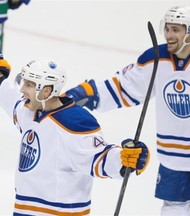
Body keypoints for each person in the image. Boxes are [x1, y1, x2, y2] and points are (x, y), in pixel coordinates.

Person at [64, 5, 190, 216]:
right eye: (167, 29)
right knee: (173, 209)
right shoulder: (155, 59)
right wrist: (89, 93)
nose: (169, 35)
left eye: (176, 30)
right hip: (175, 156)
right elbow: (124, 86)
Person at [0, 55, 150, 215]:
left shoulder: (74, 123)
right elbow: (9, 97)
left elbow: (101, 157)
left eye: (29, 85)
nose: (22, 89)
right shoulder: (27, 112)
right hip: (23, 210)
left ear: (46, 91)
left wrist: (127, 159)